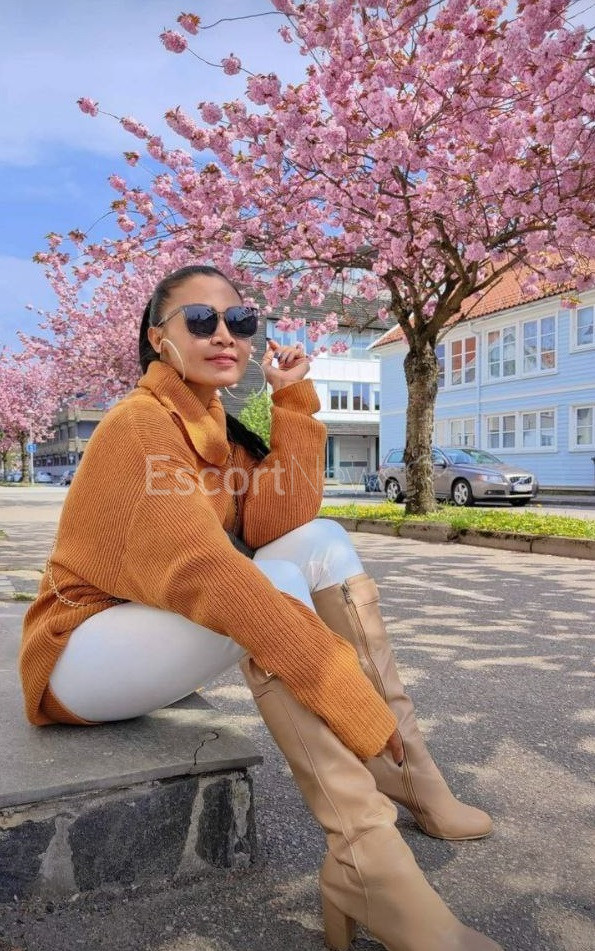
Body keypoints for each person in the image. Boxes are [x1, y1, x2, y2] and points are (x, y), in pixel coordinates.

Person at [19, 265, 502, 951]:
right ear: (158, 339)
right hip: (79, 655)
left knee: (323, 540)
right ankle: (367, 859)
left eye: (240, 320)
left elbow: (280, 522)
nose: (225, 334)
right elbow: (208, 572)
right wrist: (337, 685)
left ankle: (411, 775)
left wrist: (293, 402)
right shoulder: (139, 424)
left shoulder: (218, 422)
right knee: (266, 584)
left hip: (151, 639)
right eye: (201, 320)